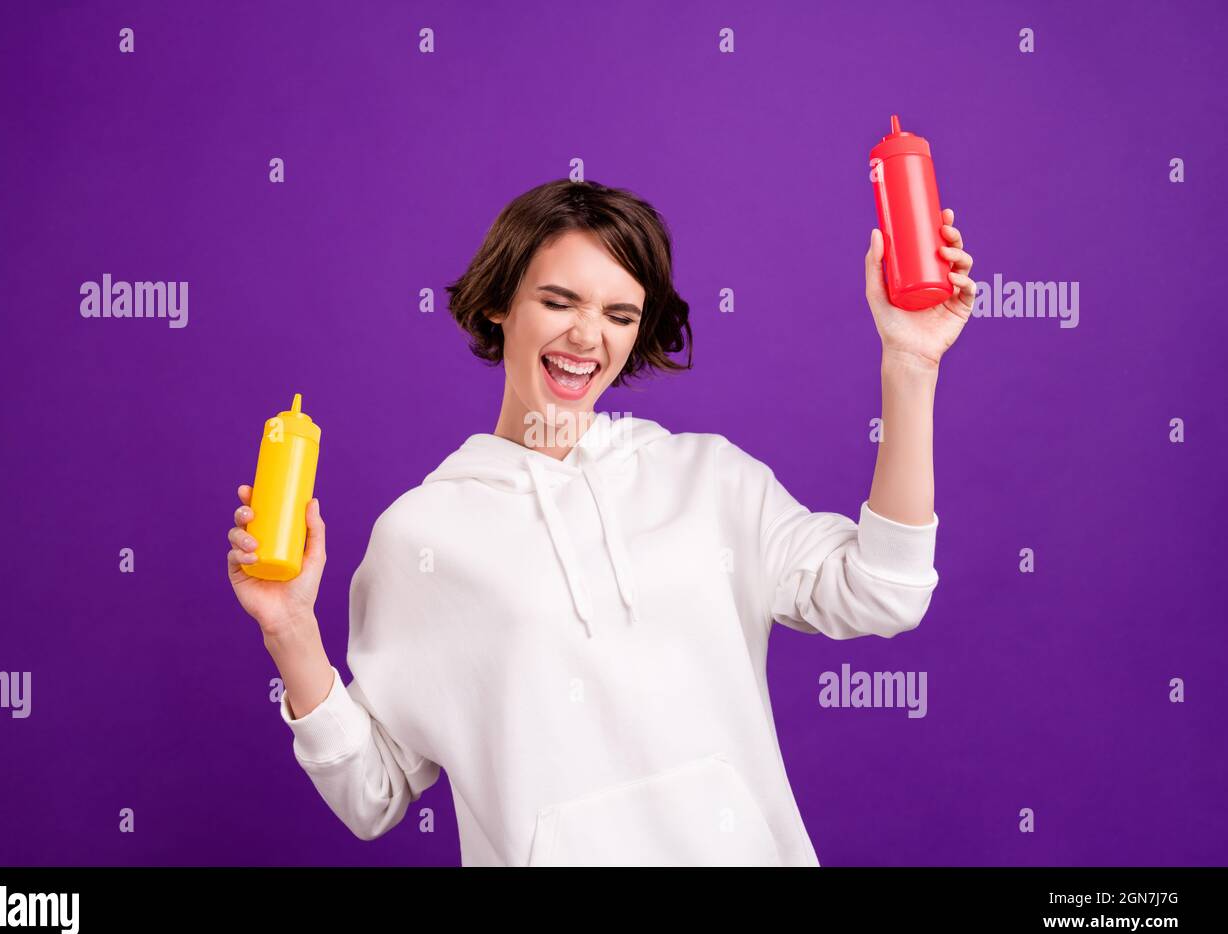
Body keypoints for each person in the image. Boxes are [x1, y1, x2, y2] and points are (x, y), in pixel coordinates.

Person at [226, 179, 974, 866]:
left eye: (619, 314)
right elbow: (374, 794)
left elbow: (886, 591)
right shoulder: (423, 536)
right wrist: (289, 629)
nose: (590, 336)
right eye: (559, 302)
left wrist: (910, 363)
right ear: (499, 303)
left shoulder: (707, 478)